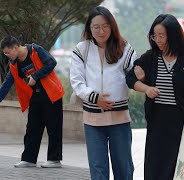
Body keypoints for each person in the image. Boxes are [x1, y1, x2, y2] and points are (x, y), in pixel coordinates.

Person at [126, 14, 184, 180]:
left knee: (180, 169)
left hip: (183, 122)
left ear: (172, 35)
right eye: (154, 35)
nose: (157, 40)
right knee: (155, 167)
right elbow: (130, 78)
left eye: (161, 35)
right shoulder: (151, 57)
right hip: (157, 121)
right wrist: (146, 88)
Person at [70, 6, 136, 180]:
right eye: (96, 27)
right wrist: (94, 97)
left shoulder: (125, 49)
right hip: (93, 121)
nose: (101, 31)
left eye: (105, 26)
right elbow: (77, 82)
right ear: (89, 29)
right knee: (98, 169)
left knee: (123, 168)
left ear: (112, 26)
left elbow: (134, 77)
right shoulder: (81, 49)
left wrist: (141, 77)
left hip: (119, 118)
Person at [0, 36, 64, 168]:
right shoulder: (14, 64)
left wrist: (35, 75)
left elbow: (52, 63)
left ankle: (54, 159)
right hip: (35, 96)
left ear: (15, 48)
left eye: (7, 52)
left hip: (51, 94)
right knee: (32, 128)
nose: (7, 56)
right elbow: (7, 83)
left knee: (53, 127)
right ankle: (29, 159)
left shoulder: (35, 50)